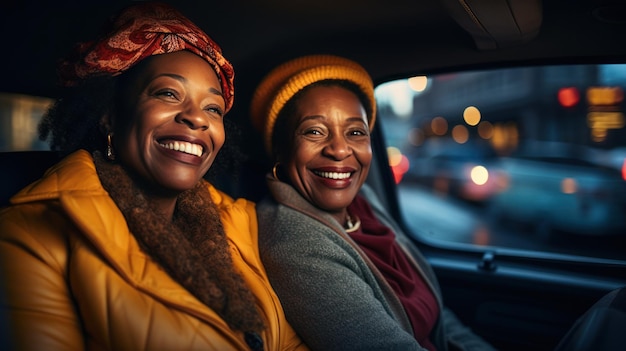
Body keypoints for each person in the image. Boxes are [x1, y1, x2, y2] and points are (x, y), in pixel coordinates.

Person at [0, 3, 307, 350]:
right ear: (110, 117)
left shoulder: (244, 223)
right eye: (168, 94)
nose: (197, 118)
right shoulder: (30, 235)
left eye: (213, 108)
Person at [249, 54, 497, 351]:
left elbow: (440, 319)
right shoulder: (296, 242)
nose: (340, 150)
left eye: (355, 132)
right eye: (314, 131)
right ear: (281, 149)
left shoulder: (364, 202)